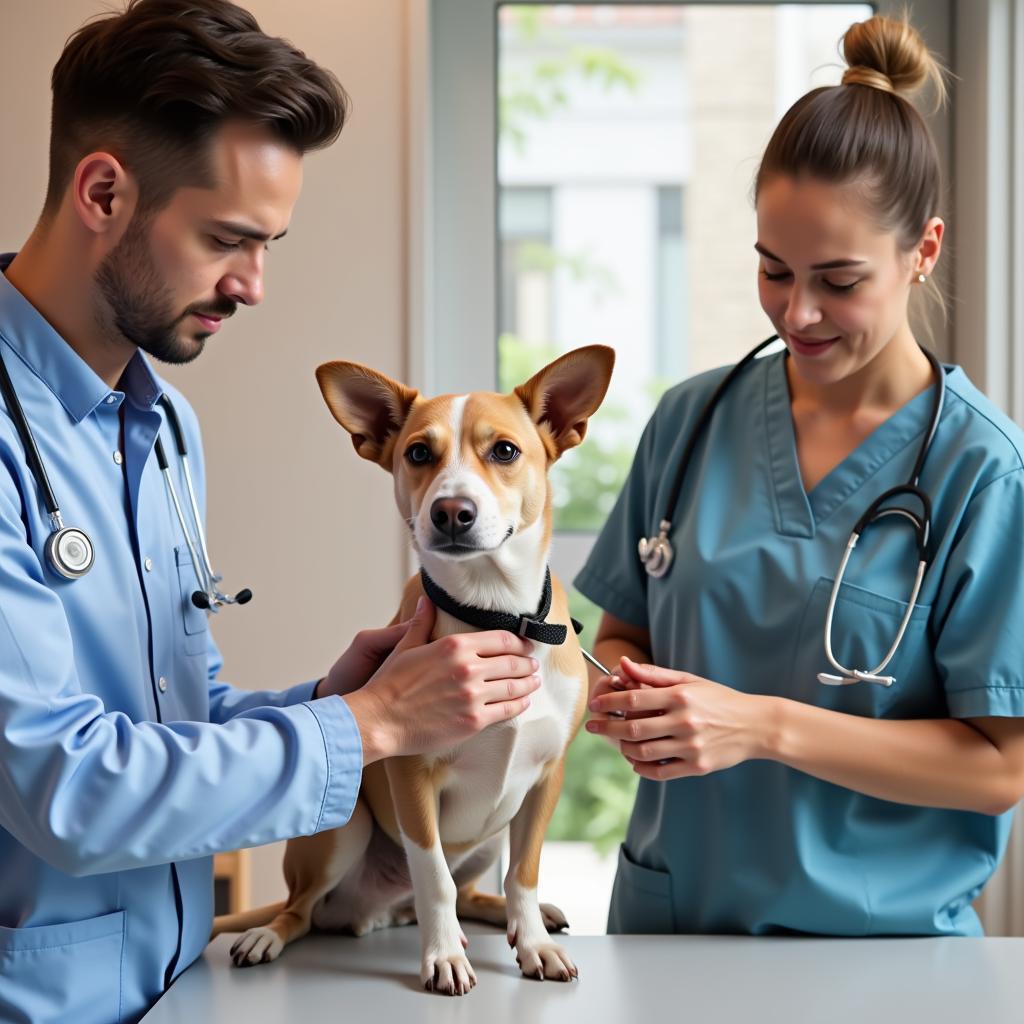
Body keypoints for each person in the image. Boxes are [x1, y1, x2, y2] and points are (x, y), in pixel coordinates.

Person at [0, 2, 541, 1022]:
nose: (254, 285)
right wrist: (369, 723)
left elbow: (179, 717)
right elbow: (64, 788)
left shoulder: (162, 432)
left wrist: (331, 697)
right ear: (103, 191)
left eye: (271, 243)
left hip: (174, 989)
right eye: (227, 239)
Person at [579, 13, 1024, 938]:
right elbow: (622, 632)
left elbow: (1000, 766)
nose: (800, 311)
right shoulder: (691, 421)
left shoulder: (983, 471)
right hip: (674, 931)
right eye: (773, 270)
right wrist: (623, 695)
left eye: (839, 279)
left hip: (886, 955)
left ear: (923, 252)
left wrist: (762, 727)